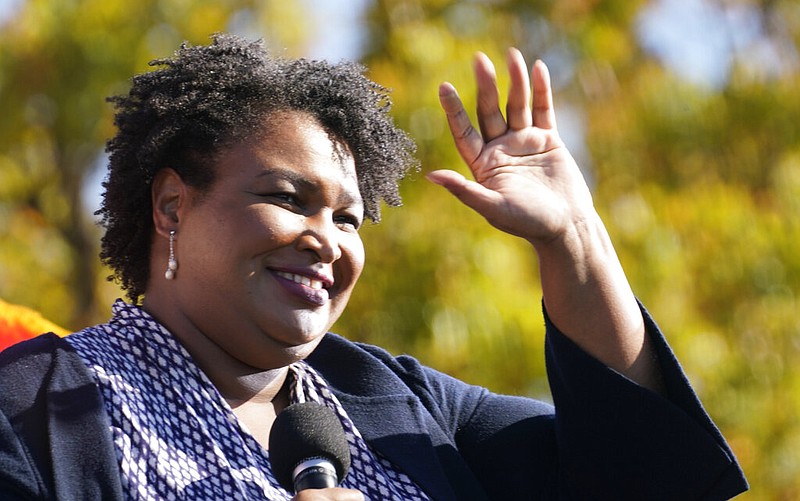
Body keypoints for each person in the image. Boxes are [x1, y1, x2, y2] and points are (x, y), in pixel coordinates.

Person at [0, 34, 747, 500]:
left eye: (349, 217)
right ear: (170, 206)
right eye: (289, 198)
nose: (327, 238)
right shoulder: (28, 409)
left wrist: (574, 238)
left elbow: (646, 478)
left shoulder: (399, 403)